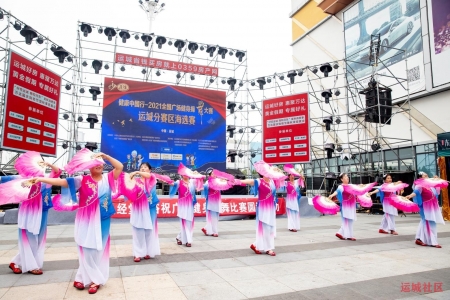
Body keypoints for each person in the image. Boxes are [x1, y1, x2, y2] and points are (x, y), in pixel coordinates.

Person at [33, 153, 123, 294]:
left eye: (100, 162)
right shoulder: (82, 180)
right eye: (94, 163)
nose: (98, 165)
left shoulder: (108, 178)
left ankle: (94, 279)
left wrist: (105, 156)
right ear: (89, 167)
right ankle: (83, 278)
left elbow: (120, 166)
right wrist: (40, 179)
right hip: (85, 219)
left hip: (103, 219)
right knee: (86, 249)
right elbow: (63, 182)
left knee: (99, 249)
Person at [4, 162, 61, 276]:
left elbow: (58, 171)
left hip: (43, 213)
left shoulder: (46, 179)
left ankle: (16, 262)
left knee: (39, 240)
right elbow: (5, 180)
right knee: (30, 240)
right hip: (28, 213)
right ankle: (31, 266)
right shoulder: (22, 179)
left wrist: (48, 164)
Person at [239, 169, 278, 256]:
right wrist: (236, 181)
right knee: (266, 228)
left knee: (270, 229)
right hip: (263, 208)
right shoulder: (259, 181)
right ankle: (268, 249)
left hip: (271, 208)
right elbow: (248, 181)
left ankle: (255, 245)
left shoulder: (272, 182)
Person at [128, 162, 160, 261]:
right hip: (138, 208)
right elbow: (129, 189)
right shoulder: (136, 180)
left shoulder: (152, 178)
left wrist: (137, 171)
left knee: (149, 231)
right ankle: (137, 253)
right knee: (138, 230)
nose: (142, 168)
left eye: (145, 167)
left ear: (150, 170)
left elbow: (147, 176)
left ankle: (148, 252)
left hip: (150, 208)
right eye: (141, 167)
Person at [405, 172, 445, 248]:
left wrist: (437, 181)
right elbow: (416, 192)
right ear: (420, 178)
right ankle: (432, 241)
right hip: (425, 206)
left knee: (427, 221)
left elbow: (437, 193)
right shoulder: (419, 185)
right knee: (429, 222)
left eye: (427, 175)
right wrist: (410, 196)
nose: (427, 176)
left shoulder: (430, 185)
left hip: (433, 205)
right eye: (425, 176)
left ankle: (419, 238)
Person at [170, 164, 203, 247]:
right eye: (183, 174)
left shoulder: (192, 182)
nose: (185, 175)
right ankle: (187, 240)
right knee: (184, 222)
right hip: (182, 206)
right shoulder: (179, 182)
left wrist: (196, 174)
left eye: (187, 174)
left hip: (190, 205)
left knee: (189, 222)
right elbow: (172, 185)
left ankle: (181, 238)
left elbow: (201, 178)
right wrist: (168, 181)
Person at [328, 173, 357, 241]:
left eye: (347, 176)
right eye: (345, 176)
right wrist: (332, 195)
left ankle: (341, 233)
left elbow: (357, 189)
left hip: (352, 205)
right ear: (342, 179)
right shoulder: (341, 186)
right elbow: (337, 191)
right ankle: (347, 235)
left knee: (350, 220)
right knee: (347, 220)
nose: (347, 177)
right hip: (346, 206)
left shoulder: (351, 185)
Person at [201, 170, 222, 237]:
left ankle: (206, 228)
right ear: (210, 175)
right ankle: (214, 232)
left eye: (215, 173)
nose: (214, 174)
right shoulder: (208, 182)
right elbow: (204, 187)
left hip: (217, 201)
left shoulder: (219, 181)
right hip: (211, 202)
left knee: (216, 217)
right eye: (212, 174)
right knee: (213, 217)